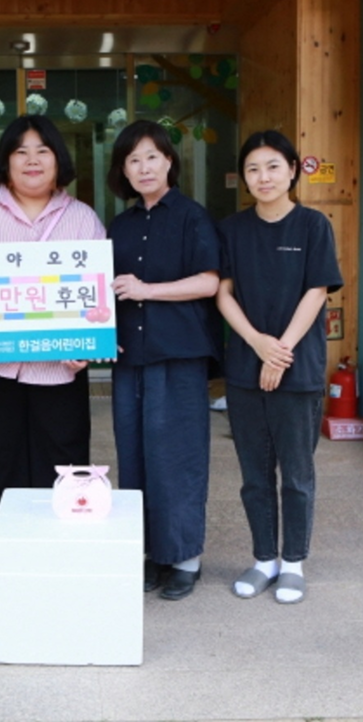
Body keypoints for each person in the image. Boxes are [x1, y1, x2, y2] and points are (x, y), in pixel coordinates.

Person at [0, 114, 107, 533]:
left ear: (57, 159)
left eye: (42, 151)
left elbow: (96, 296)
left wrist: (88, 345)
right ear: (5, 160)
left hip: (61, 369)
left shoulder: (82, 217)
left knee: (64, 460)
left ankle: (61, 545)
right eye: (21, 151)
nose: (32, 160)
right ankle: (6, 545)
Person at [216, 130, 343, 605]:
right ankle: (264, 559)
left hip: (298, 367)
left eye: (273, 166)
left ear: (292, 170)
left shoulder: (313, 225)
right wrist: (256, 343)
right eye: (253, 168)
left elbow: (318, 291)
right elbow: (223, 292)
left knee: (295, 473)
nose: (263, 177)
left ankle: (293, 563)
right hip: (245, 366)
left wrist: (281, 351)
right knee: (254, 474)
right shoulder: (231, 229)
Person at [107, 120, 221, 601]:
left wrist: (148, 291)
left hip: (178, 354)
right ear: (124, 171)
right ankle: (152, 553)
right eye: (133, 160)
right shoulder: (120, 226)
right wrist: (100, 335)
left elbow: (209, 282)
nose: (144, 167)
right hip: (129, 358)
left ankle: (185, 558)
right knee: (134, 457)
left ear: (169, 161)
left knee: (177, 456)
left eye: (152, 156)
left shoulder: (193, 217)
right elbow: (102, 290)